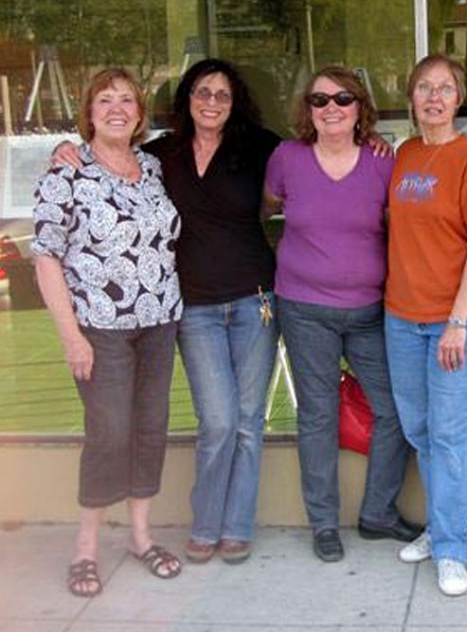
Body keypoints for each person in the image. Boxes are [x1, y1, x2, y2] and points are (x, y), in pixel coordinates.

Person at [52, 59, 282, 566]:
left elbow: (308, 166)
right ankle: (204, 524)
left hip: (255, 301)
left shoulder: (261, 147)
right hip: (193, 307)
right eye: (203, 92)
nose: (212, 102)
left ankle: (236, 527)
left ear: (234, 100)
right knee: (218, 421)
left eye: (222, 94)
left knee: (248, 421)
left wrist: (371, 143)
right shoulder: (160, 155)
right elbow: (100, 162)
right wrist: (64, 149)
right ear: (187, 98)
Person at [33, 68, 183, 597]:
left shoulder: (152, 166)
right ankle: (87, 548)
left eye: (127, 100)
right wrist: (71, 337)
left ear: (141, 114)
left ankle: (141, 536)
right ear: (89, 111)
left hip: (160, 323)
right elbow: (46, 258)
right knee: (109, 432)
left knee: (149, 428)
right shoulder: (66, 173)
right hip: (99, 329)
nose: (116, 108)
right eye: (104, 100)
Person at [263, 66, 419, 563]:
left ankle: (376, 513)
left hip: (371, 310)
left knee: (395, 411)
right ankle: (324, 523)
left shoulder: (383, 161)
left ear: (360, 108)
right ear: (306, 110)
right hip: (304, 309)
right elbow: (265, 211)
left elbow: (402, 227)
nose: (331, 108)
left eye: (343, 99)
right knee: (317, 416)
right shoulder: (287, 158)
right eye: (320, 100)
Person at [383, 54, 467, 597]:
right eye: (424, 88)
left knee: (452, 437)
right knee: (421, 431)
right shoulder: (405, 154)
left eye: (445, 88)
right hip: (401, 318)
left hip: (457, 322)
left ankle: (452, 548)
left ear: (459, 99)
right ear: (411, 97)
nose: (434, 97)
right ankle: (439, 529)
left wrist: (457, 322)